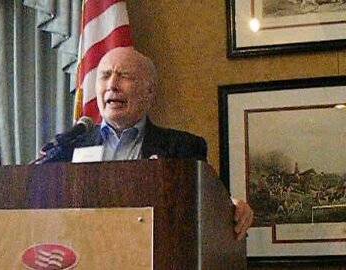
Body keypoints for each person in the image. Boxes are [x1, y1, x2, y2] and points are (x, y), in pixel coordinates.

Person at [46, 46, 253, 240]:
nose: (112, 85)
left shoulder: (183, 147)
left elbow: (206, 206)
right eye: (105, 75)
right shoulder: (69, 149)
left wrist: (230, 209)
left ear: (150, 91)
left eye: (124, 75)